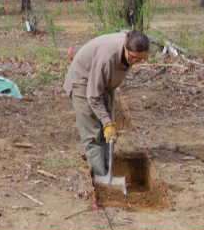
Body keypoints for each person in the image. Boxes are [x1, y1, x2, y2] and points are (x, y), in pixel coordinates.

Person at [63, 30, 150, 177]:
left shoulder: (131, 42)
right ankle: (100, 177)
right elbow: (93, 95)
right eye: (133, 58)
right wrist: (106, 121)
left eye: (140, 59)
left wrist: (107, 123)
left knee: (105, 133)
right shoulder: (106, 59)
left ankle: (104, 168)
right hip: (83, 84)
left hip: (102, 86)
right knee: (93, 134)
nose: (135, 63)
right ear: (125, 46)